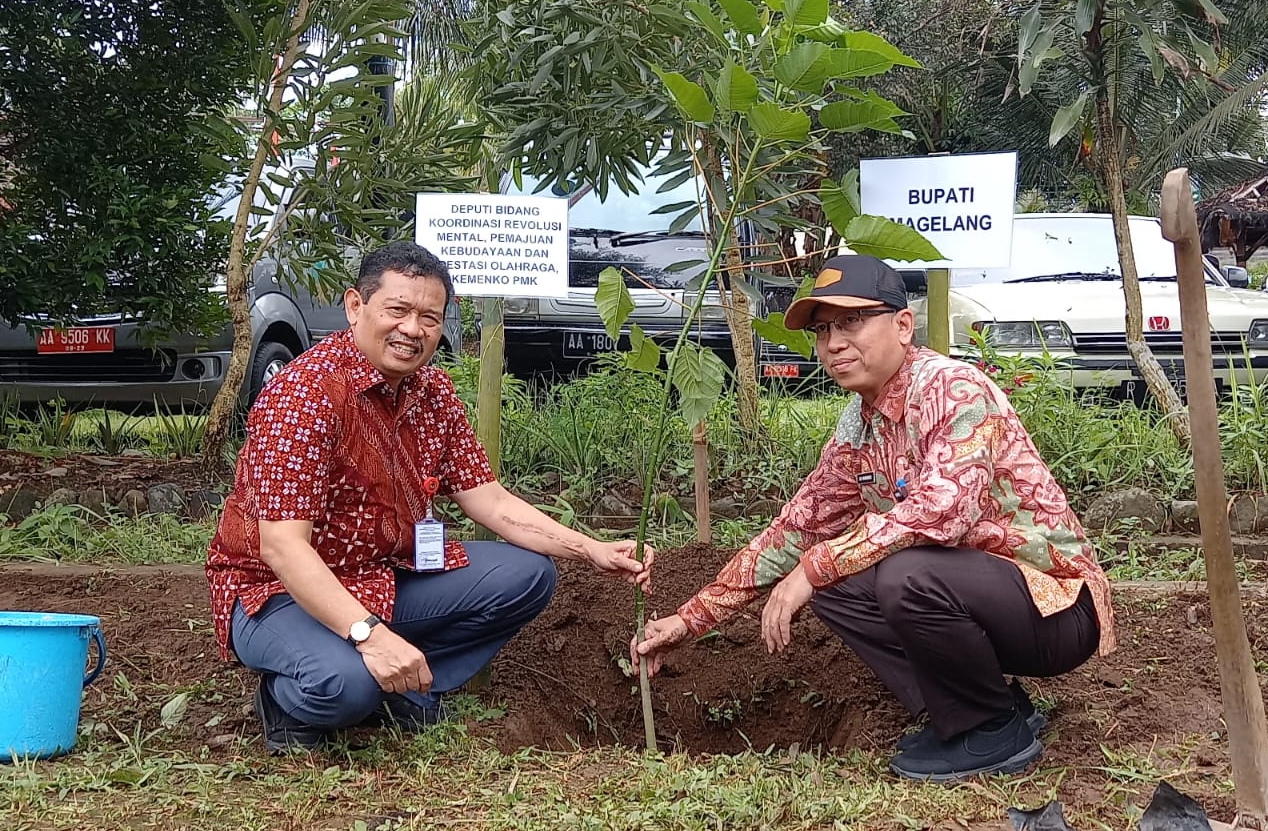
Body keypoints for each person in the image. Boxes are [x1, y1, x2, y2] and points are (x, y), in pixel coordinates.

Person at [629, 255, 1114, 781]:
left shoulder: (953, 390)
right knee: (837, 579)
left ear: (903, 326)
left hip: (1057, 609)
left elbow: (943, 513)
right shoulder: (859, 424)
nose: (834, 343)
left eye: (852, 321)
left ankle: (992, 729)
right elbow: (798, 529)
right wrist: (688, 619)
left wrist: (814, 568)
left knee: (900, 574)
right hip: (980, 598)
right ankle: (987, 705)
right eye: (823, 330)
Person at [208, 241, 652, 754]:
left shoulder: (433, 392)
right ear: (356, 307)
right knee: (343, 685)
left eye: (429, 317)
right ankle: (294, 699)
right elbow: (282, 548)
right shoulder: (303, 395)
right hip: (274, 592)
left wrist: (590, 548)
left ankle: (404, 681)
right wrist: (370, 636)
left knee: (528, 576)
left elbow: (489, 499)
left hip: (382, 574)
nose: (412, 329)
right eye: (397, 310)